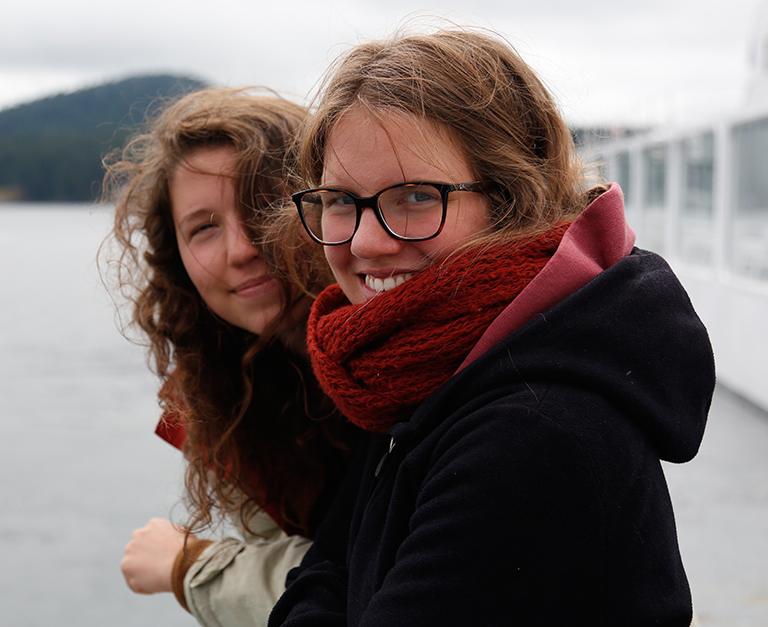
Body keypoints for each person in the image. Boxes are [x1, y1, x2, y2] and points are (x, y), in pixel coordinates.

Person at [266, 27, 715, 626]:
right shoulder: (420, 363)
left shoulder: (535, 433)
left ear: (512, 201)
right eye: (341, 200)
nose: (366, 242)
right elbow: (328, 566)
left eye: (417, 197)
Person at [102, 87, 355, 627]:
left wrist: (190, 568)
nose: (241, 249)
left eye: (264, 206)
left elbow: (375, 574)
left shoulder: (410, 356)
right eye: (204, 228)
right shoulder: (219, 402)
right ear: (179, 263)